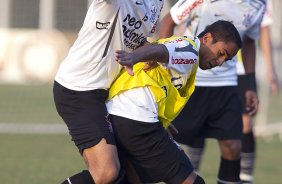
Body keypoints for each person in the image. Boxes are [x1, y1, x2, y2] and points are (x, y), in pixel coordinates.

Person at [106, 20, 242, 184]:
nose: (220, 62)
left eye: (226, 60)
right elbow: (163, 50)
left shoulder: (184, 47)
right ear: (206, 38)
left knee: (127, 178)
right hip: (136, 120)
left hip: (125, 117)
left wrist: (161, 121)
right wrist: (133, 57)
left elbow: (161, 70)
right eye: (221, 53)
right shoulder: (190, 50)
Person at [53, 0, 164, 183]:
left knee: (126, 171)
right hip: (78, 88)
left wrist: (147, 52)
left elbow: (135, 37)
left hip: (106, 92)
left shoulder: (156, 4)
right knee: (106, 172)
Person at [158, 0, 264, 183]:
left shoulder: (258, 6)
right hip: (192, 81)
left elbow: (248, 43)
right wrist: (163, 65)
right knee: (178, 146)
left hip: (227, 84)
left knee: (233, 145)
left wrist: (250, 86)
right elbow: (169, 20)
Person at [237, 1, 280, 183]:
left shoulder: (260, 2)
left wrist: (271, 70)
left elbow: (263, 31)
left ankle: (246, 177)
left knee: (246, 123)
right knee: (197, 127)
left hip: (243, 69)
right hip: (211, 69)